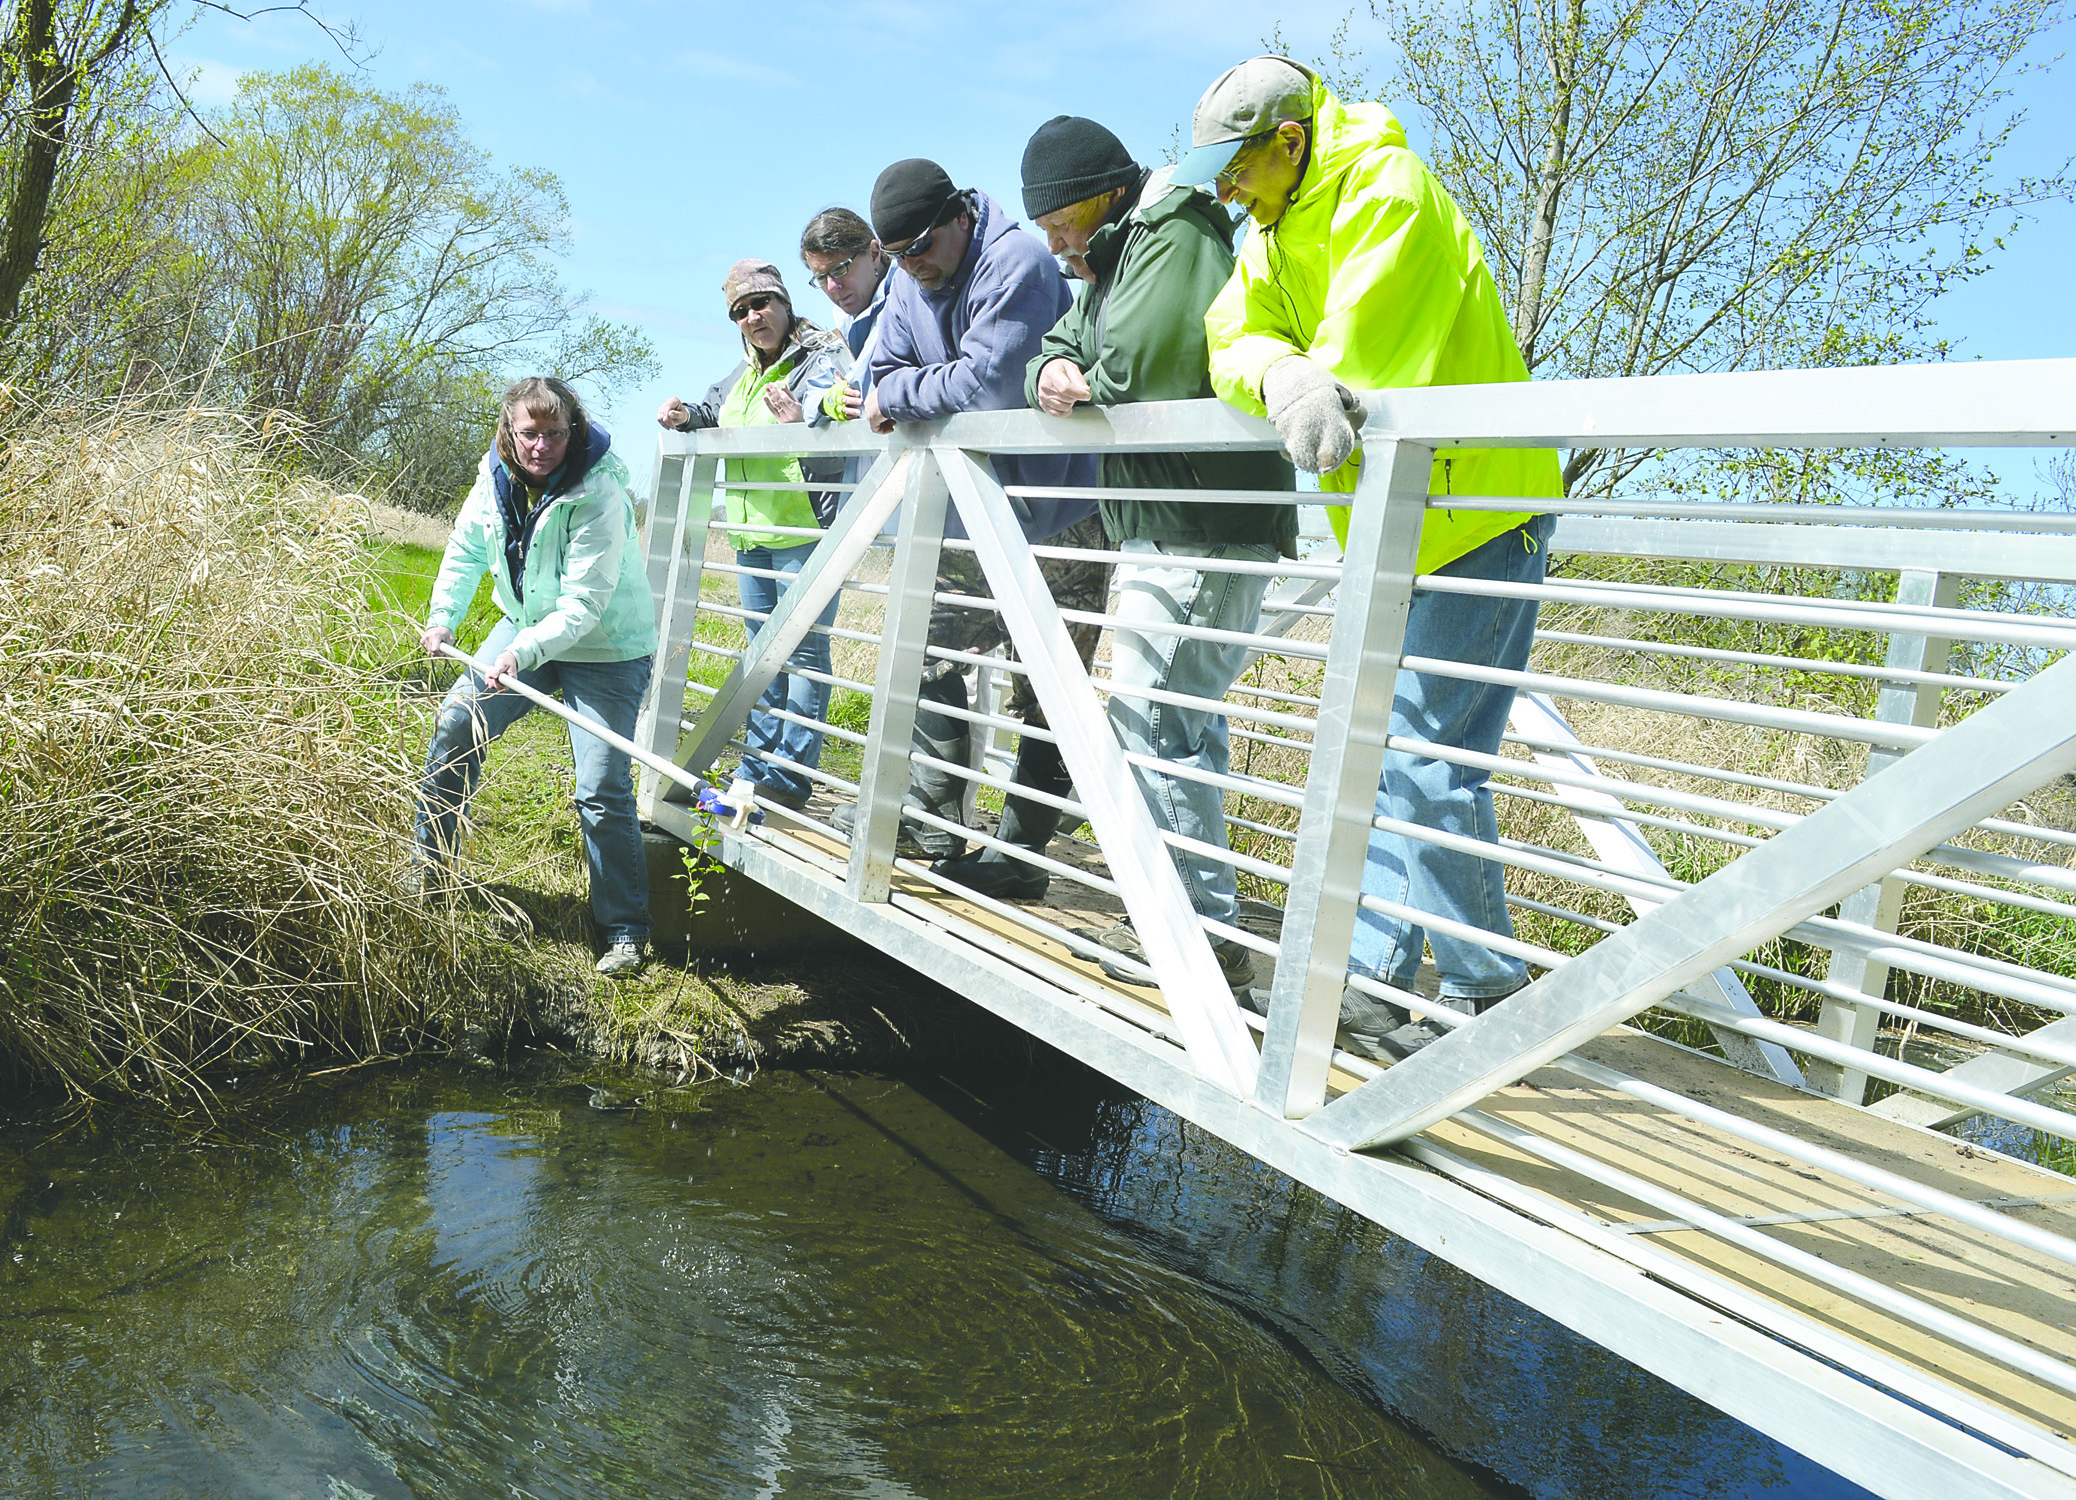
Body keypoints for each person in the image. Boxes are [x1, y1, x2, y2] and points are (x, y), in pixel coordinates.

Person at [1179, 56, 1565, 1054]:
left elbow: (1363, 357)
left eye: (1235, 170)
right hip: (1395, 529)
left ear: (1291, 143)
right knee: (1398, 753)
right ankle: (1380, 984)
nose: (1225, 193)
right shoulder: (1272, 228)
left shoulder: (1388, 191)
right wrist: (1277, 368)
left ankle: (1492, 993)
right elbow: (1230, 334)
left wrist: (1311, 370)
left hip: (1479, 516)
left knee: (1429, 757)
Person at [1012, 115, 1297, 988]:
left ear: (1098, 195)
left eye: (1060, 227)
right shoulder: (1116, 253)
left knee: (1153, 721)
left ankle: (1199, 933)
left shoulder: (1170, 233)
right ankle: (1199, 925)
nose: (1058, 248)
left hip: (1199, 521)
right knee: (1176, 725)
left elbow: (1146, 365)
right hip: (1164, 520)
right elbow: (1060, 350)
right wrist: (1049, 373)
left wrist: (1084, 365)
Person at [829, 158, 1105, 873]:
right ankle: (930, 816)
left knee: (1047, 685)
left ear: (960, 216)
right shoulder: (909, 283)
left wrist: (903, 396)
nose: (911, 267)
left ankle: (1021, 855)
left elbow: (991, 388)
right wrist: (904, 392)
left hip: (1059, 514)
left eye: (920, 247)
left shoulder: (1016, 262)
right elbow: (875, 381)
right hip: (972, 518)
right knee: (917, 643)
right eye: (894, 257)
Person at [416, 377, 658, 976]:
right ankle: (430, 879)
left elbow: (584, 604)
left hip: (607, 648)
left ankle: (624, 930)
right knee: (455, 726)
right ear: (510, 432)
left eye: (554, 434)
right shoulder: (493, 474)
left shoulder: (599, 490)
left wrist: (520, 654)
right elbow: (467, 548)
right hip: (526, 629)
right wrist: (443, 619)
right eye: (530, 433)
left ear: (571, 432)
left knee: (601, 786)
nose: (541, 445)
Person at [657, 259, 851, 812]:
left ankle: (789, 778)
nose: (752, 316)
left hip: (805, 532)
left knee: (806, 656)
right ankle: (758, 764)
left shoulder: (824, 356)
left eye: (761, 303)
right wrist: (682, 417)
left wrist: (806, 417)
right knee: (762, 657)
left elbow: (843, 403)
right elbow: (711, 410)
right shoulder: (740, 376)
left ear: (786, 303)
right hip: (750, 537)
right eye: (740, 311)